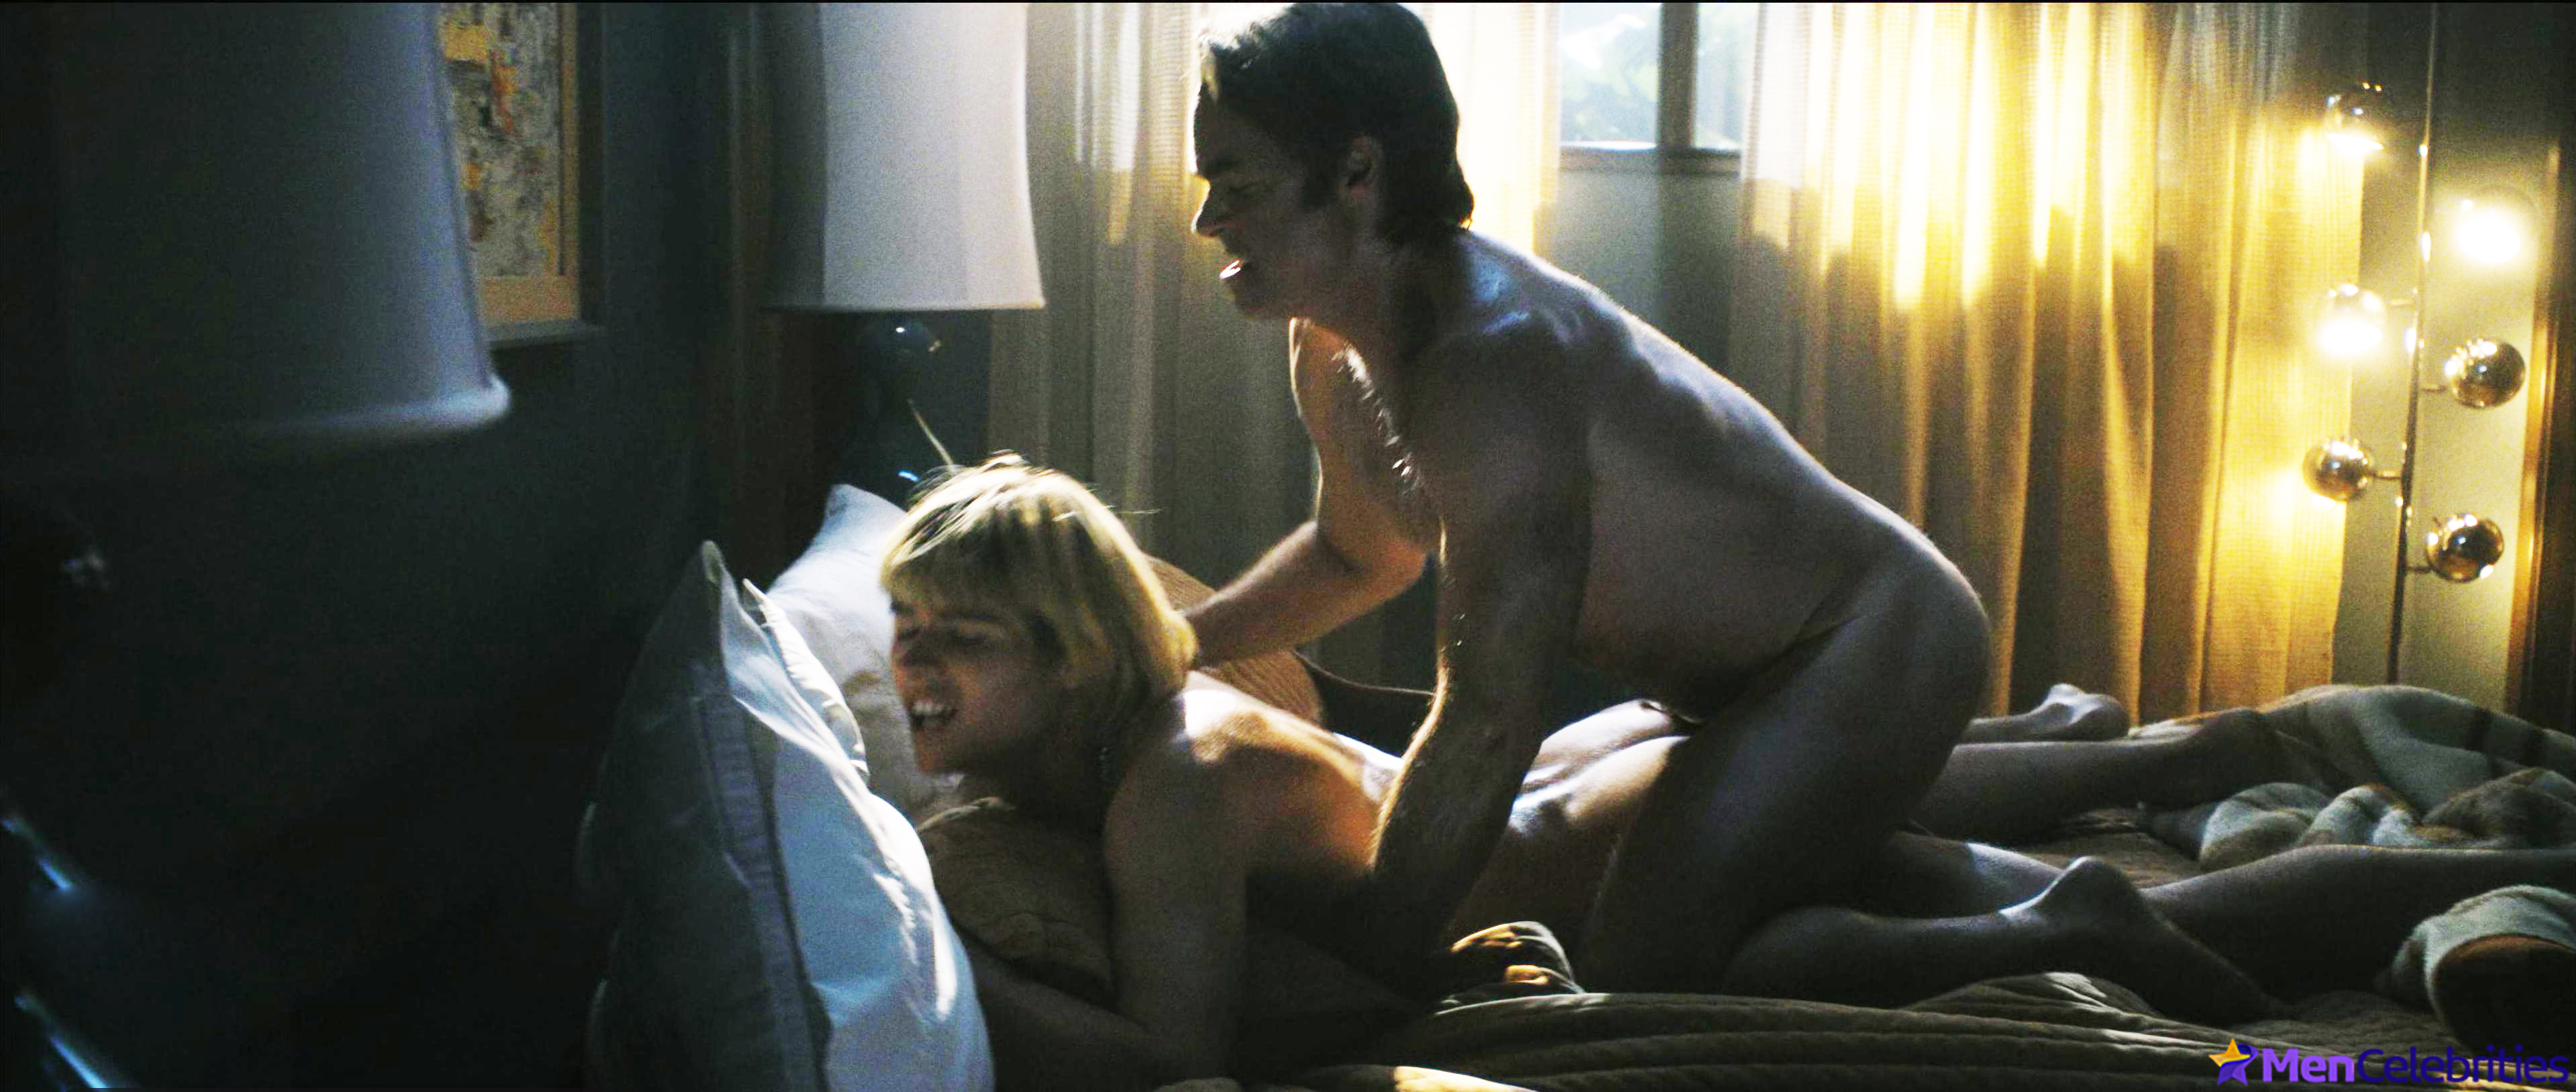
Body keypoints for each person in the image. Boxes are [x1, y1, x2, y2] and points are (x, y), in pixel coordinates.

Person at [882, 458, 2576, 1089]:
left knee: (2039, 898)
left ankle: (2079, 888)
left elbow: (1175, 1058)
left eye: (960, 639)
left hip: (1622, 846)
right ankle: (2457, 883)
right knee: (2174, 910)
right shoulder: (1159, 731)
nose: (914, 669)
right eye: (901, 635)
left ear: (1076, 652)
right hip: (1610, 792)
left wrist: (948, 972)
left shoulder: (1165, 781)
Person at [1176, 1, 1994, 989]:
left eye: (1237, 187)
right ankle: (2077, 835)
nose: (1207, 222)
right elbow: (1360, 558)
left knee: (1639, 966)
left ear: (1357, 172)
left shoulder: (1489, 364)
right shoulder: (1330, 343)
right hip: (1720, 686)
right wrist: (1175, 642)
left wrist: (1370, 972)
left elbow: (1489, 720)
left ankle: (2074, 933)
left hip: (1869, 636)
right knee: (1710, 859)